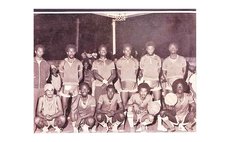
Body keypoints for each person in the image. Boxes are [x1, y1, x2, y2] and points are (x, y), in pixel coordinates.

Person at [59, 44, 83, 117]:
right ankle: (63, 120)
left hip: (75, 85)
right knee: (64, 106)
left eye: (73, 51)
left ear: (75, 52)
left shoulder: (79, 62)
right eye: (69, 52)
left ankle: (73, 121)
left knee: (74, 106)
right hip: (66, 86)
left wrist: (76, 83)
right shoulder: (63, 63)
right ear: (67, 52)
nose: (71, 53)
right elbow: (61, 75)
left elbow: (81, 75)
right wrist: (65, 83)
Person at [116, 44, 139, 109]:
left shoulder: (135, 61)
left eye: (129, 50)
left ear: (131, 51)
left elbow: (136, 73)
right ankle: (124, 117)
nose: (128, 52)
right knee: (124, 104)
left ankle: (131, 118)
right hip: (124, 85)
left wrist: (134, 82)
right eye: (126, 50)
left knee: (133, 103)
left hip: (133, 85)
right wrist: (122, 82)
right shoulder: (119, 61)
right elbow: (119, 72)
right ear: (123, 51)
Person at [34, 44, 50, 131]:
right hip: (33, 88)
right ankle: (32, 126)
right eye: (38, 51)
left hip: (43, 88)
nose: (40, 53)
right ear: (35, 51)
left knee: (43, 108)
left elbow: (47, 76)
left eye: (42, 51)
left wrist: (43, 82)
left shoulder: (46, 63)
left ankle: (43, 125)